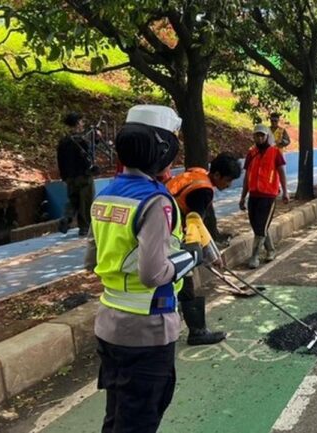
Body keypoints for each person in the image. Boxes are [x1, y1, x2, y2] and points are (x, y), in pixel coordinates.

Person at [85, 104, 206, 432]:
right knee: (140, 419)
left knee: (117, 416)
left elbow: (91, 260)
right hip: (147, 328)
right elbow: (153, 274)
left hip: (109, 325)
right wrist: (192, 257)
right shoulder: (155, 201)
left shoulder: (105, 194)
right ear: (163, 150)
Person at [165, 152, 243, 346]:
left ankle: (183, 322)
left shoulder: (196, 174)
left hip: (164, 225)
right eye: (228, 180)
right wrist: (209, 255)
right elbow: (195, 226)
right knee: (186, 277)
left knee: (179, 280)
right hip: (169, 234)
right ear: (216, 175)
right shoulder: (203, 190)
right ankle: (197, 332)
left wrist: (212, 252)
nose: (229, 185)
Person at [239, 125, 289, 269]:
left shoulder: (275, 152)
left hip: (268, 195)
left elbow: (282, 173)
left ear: (267, 136)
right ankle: (271, 250)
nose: (260, 138)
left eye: (262, 135)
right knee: (257, 226)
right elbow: (247, 176)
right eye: (257, 135)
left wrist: (285, 191)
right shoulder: (251, 153)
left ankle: (254, 256)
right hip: (253, 195)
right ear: (253, 137)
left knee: (261, 226)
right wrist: (243, 197)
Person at [57, 112, 96, 236]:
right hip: (84, 175)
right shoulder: (82, 140)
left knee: (73, 200)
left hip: (70, 177)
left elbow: (60, 160)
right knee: (85, 202)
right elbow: (89, 156)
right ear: (77, 123)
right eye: (81, 121)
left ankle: (66, 218)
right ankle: (84, 227)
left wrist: (64, 177)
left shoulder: (63, 142)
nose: (83, 124)